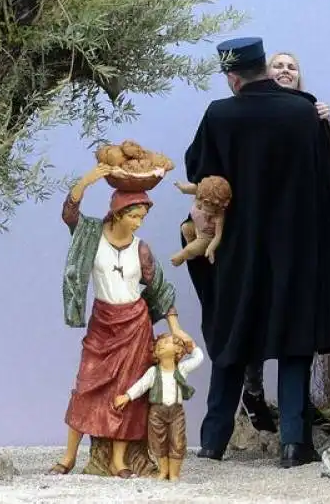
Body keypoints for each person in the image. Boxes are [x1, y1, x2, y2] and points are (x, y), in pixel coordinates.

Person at [182, 36, 330, 468]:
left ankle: (212, 442)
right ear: (265, 68)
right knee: (294, 339)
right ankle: (292, 444)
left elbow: (200, 172)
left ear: (233, 78)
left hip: (237, 248)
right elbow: (328, 182)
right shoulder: (304, 111)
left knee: (233, 337)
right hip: (296, 248)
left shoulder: (219, 114)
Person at [238, 51, 330, 432]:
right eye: (278, 65)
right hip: (262, 229)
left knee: (297, 316)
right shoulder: (250, 112)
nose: (285, 70)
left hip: (301, 231)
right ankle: (254, 391)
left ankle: (296, 405)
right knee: (261, 309)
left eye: (292, 66)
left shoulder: (311, 113)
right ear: (265, 74)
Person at [48, 163, 195, 478]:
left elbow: (160, 290)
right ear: (117, 213)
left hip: (135, 326)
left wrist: (175, 329)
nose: (139, 223)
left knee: (127, 393)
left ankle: (118, 461)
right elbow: (69, 214)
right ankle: (69, 456)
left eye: (142, 217)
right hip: (103, 323)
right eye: (134, 216)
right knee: (86, 387)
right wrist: (86, 180)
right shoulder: (90, 236)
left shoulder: (141, 250)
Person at [114, 333, 205, 481]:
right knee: (158, 442)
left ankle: (174, 473)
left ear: (178, 350)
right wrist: (127, 396)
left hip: (176, 412)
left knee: (178, 441)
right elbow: (141, 385)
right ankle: (163, 471)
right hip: (157, 413)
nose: (161, 344)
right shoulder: (153, 372)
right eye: (159, 343)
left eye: (167, 342)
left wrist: (192, 347)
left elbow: (199, 359)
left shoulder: (182, 369)